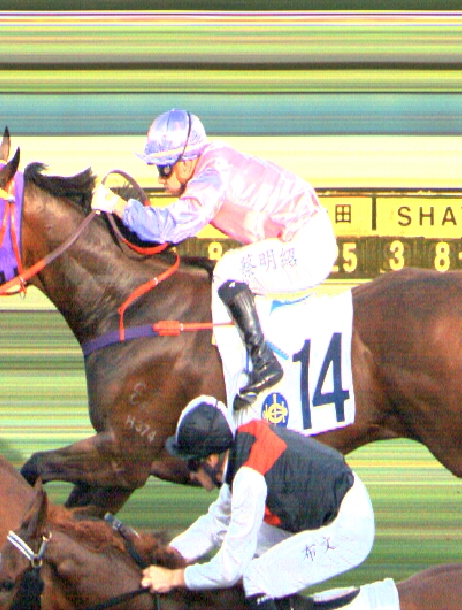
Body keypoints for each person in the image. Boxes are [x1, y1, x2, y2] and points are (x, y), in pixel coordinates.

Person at [144, 396, 375, 610]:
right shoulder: (238, 455)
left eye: (192, 463)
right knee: (250, 560)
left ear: (211, 459)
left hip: (346, 526)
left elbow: (229, 569)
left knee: (256, 577)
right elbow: (217, 523)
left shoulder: (247, 478)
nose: (190, 473)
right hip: (318, 510)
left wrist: (176, 578)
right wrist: (169, 555)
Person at [89, 110, 336, 409]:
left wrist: (117, 205)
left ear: (186, 162)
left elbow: (170, 227)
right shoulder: (212, 164)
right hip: (303, 236)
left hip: (306, 245)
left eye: (164, 169)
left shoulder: (212, 176)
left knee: (228, 270)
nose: (160, 179)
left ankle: (264, 363)